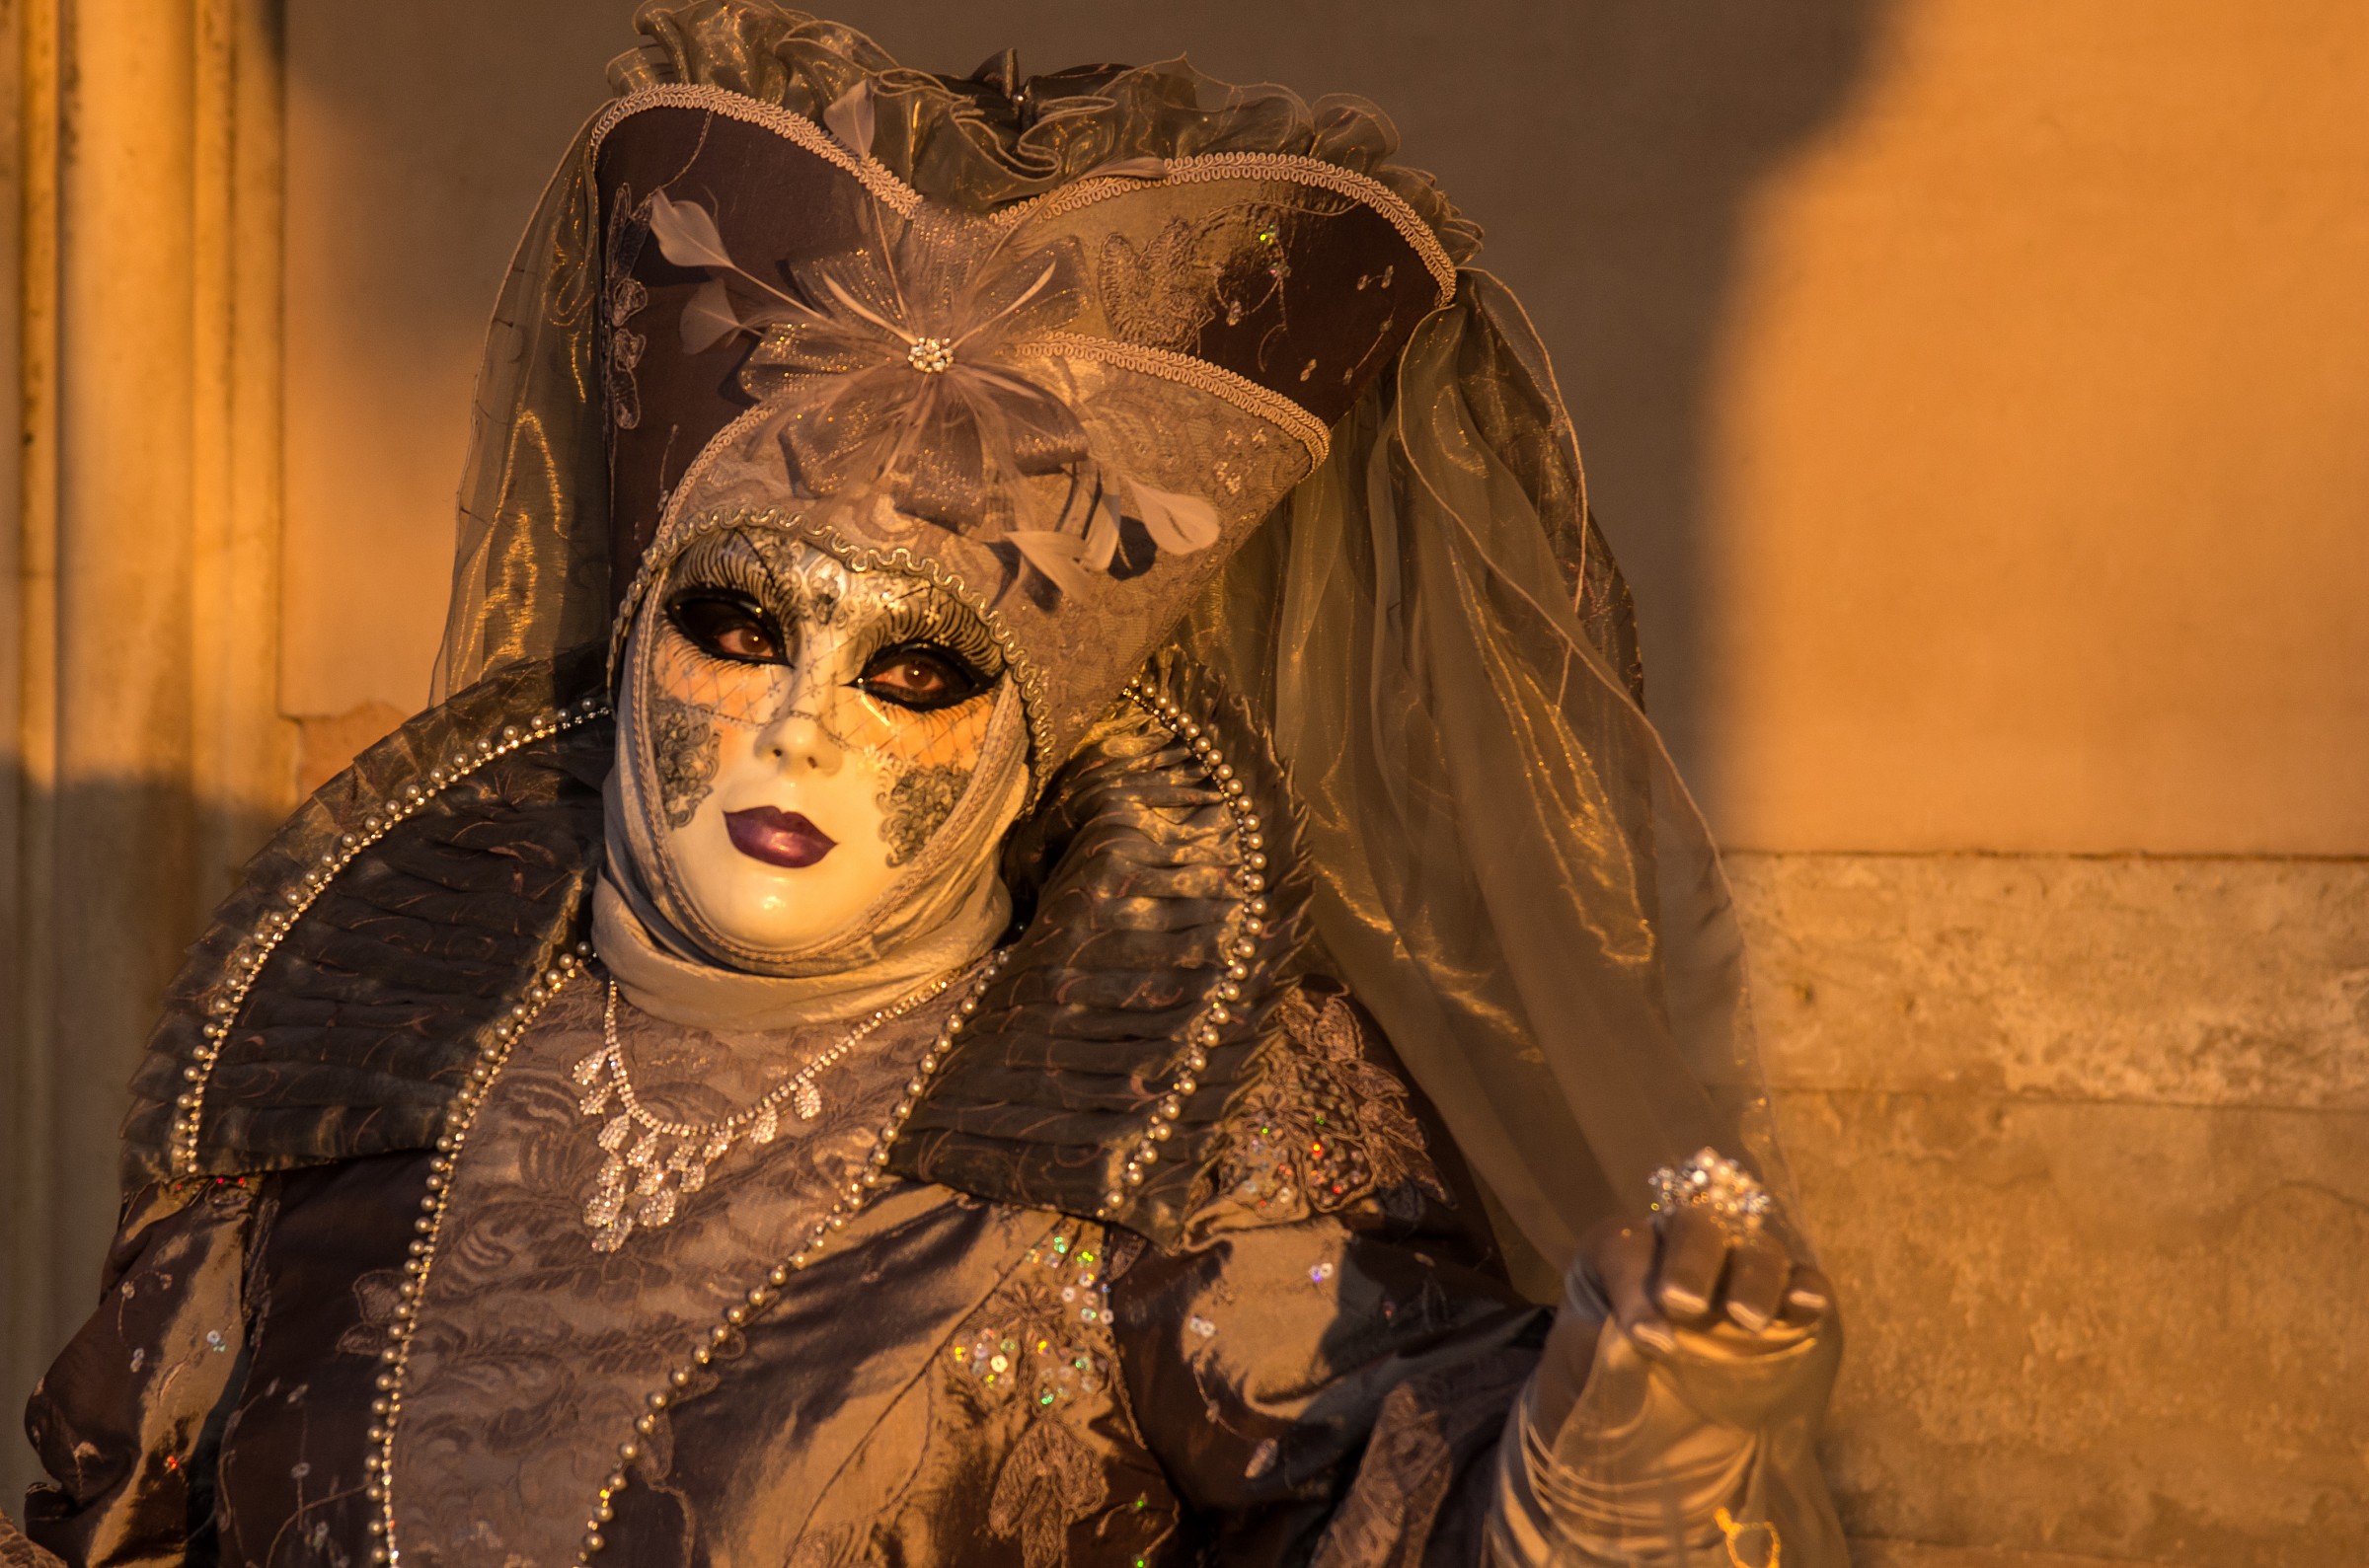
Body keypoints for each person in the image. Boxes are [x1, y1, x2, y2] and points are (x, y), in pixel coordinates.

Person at [6, 6, 1844, 1563]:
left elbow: (1408, 1498)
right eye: (739, 627)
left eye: (914, 670)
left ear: (1029, 731)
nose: (804, 727)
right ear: (638, 632)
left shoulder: (1179, 1149)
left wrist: (1626, 1441)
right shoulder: (351, 1096)